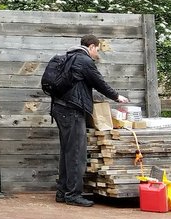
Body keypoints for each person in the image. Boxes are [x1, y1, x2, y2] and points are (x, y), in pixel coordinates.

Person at [51, 34, 128, 207]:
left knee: (67, 152)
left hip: (60, 108)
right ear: (91, 46)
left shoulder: (68, 58)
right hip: (72, 110)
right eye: (97, 50)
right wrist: (117, 97)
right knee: (77, 152)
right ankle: (73, 195)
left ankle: (62, 192)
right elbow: (99, 82)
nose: (97, 54)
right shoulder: (84, 60)